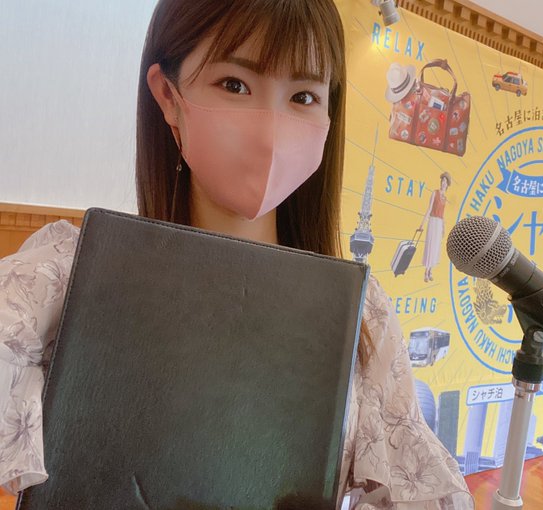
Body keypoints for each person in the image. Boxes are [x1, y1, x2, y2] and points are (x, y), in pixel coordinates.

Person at [0, 1, 473, 508]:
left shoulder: (363, 314)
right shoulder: (72, 274)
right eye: (234, 84)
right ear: (168, 96)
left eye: (304, 96)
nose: (272, 129)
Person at [420, 172, 452, 283]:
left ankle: (430, 270)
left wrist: (443, 227)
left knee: (436, 247)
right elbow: (429, 209)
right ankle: (426, 271)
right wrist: (422, 224)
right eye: (442, 181)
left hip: (439, 223)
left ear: (447, 185)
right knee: (430, 244)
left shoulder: (445, 198)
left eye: (445, 182)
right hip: (433, 221)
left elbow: (442, 215)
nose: (443, 183)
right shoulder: (435, 193)